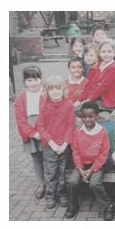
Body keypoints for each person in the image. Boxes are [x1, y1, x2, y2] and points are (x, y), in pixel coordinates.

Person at [65, 102, 112, 220]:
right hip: (82, 165)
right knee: (72, 182)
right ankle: (72, 205)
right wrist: (80, 169)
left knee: (95, 183)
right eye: (84, 117)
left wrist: (91, 170)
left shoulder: (102, 132)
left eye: (90, 116)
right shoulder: (78, 132)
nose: (87, 119)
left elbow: (103, 154)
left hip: (97, 165)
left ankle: (108, 207)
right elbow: (75, 151)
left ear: (96, 116)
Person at [37, 75, 75, 210]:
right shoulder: (44, 105)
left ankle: (61, 193)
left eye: (58, 89)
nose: (55, 92)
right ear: (47, 91)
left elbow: (70, 126)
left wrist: (65, 144)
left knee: (62, 171)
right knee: (51, 172)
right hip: (49, 146)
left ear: (63, 90)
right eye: (52, 89)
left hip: (63, 146)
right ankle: (50, 195)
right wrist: (52, 143)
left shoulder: (68, 105)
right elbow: (40, 127)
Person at [14, 66, 46, 199]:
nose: (33, 83)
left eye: (36, 79)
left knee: (48, 158)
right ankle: (42, 184)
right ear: (24, 82)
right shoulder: (21, 98)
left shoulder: (46, 94)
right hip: (30, 131)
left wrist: (42, 132)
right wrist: (32, 133)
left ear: (41, 79)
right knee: (37, 159)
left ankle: (52, 184)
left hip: (45, 130)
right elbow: (20, 119)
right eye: (29, 80)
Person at [79, 41, 115, 112]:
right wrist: (84, 98)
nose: (106, 54)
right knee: (79, 108)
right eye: (103, 51)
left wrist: (89, 99)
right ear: (99, 53)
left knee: (82, 112)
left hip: (110, 103)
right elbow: (94, 84)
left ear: (114, 53)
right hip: (101, 98)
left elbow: (102, 87)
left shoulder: (113, 68)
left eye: (109, 51)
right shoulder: (102, 65)